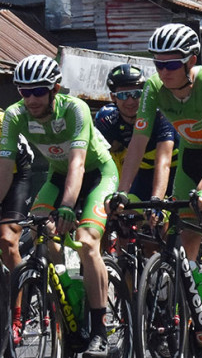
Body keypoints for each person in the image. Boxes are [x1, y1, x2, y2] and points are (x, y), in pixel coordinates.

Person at [119, 24, 202, 310]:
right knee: (184, 226)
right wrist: (121, 192)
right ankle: (190, 307)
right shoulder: (154, 87)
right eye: (158, 64)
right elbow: (138, 143)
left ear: (191, 61)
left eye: (171, 64)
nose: (163, 71)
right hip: (191, 153)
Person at [0, 55, 119, 358]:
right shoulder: (15, 115)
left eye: (38, 91)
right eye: (23, 92)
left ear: (55, 88)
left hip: (97, 175)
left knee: (87, 242)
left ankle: (99, 330)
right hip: (58, 176)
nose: (31, 99)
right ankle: (65, 292)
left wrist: (67, 206)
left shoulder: (75, 108)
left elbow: (78, 164)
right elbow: (4, 168)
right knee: (41, 227)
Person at [96, 64, 177, 202]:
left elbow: (163, 162)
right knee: (124, 212)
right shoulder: (108, 120)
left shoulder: (160, 116)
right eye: (122, 95)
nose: (130, 101)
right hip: (143, 174)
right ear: (113, 97)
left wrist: (156, 200)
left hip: (173, 171)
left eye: (136, 94)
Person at [0, 109, 34, 344]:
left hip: (14, 173)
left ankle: (17, 318)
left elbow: (4, 172)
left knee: (7, 239)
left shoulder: (2, 122)